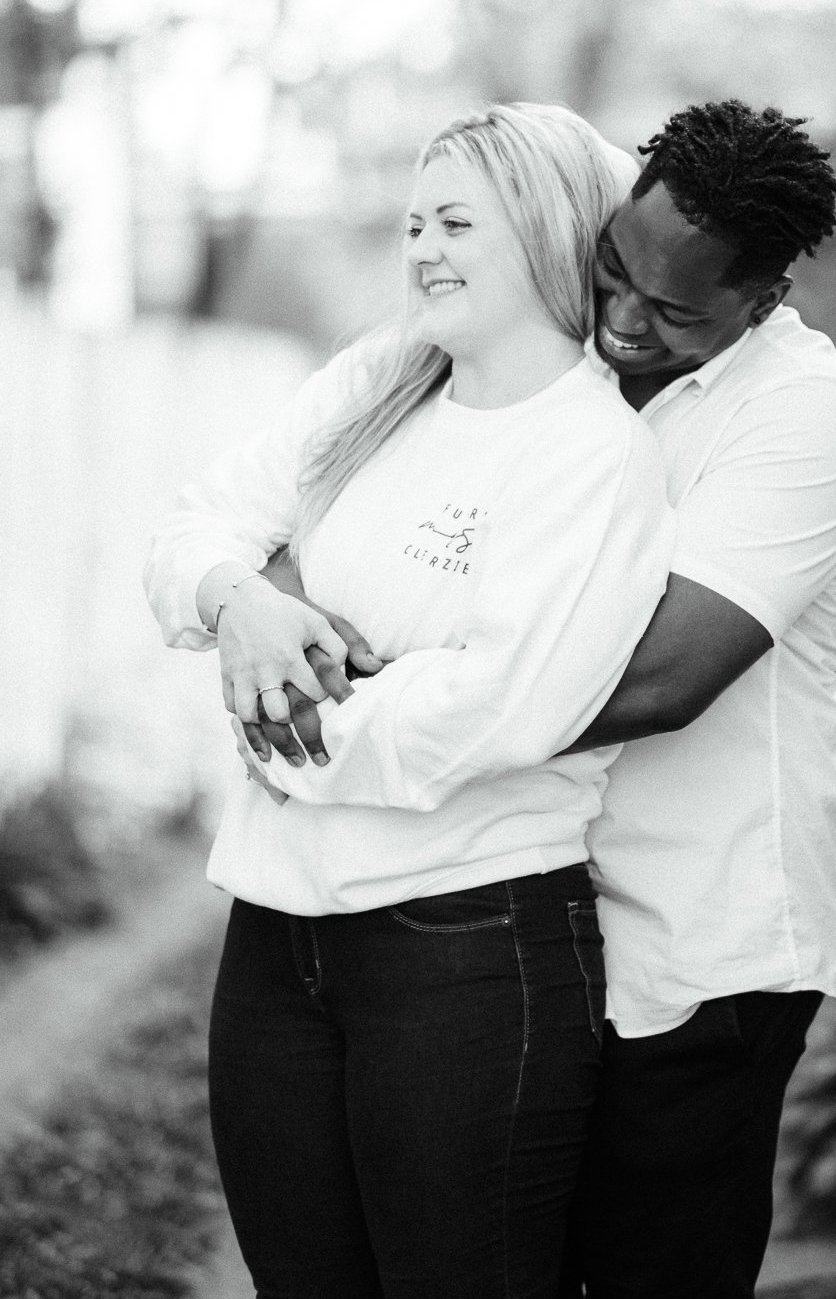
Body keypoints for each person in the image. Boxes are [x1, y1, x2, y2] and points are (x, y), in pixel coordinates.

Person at [247, 98, 836, 1299]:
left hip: (699, 945)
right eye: (612, 276)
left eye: (675, 312)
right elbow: (329, 515)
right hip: (533, 916)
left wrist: (357, 708)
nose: (625, 326)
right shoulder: (549, 359)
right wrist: (287, 613)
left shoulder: (800, 417)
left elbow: (660, 678)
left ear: (768, 297)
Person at [143, 102, 674, 1299]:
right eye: (410, 224)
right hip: (275, 944)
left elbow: (496, 711)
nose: (420, 248)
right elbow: (192, 527)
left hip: (467, 957)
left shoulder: (591, 452)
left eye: (452, 222)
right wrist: (248, 609)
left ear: (543, 231)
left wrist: (277, 721)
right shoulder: (378, 381)